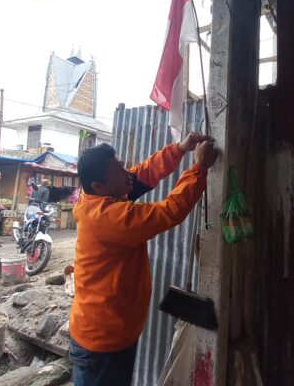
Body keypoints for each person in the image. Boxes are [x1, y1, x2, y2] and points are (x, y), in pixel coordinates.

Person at [68, 133, 217, 385]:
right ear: (99, 187)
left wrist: (179, 148)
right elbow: (169, 211)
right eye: (118, 170)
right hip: (101, 342)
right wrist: (199, 169)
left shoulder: (103, 196)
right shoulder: (108, 218)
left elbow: (143, 174)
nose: (126, 172)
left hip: (113, 335)